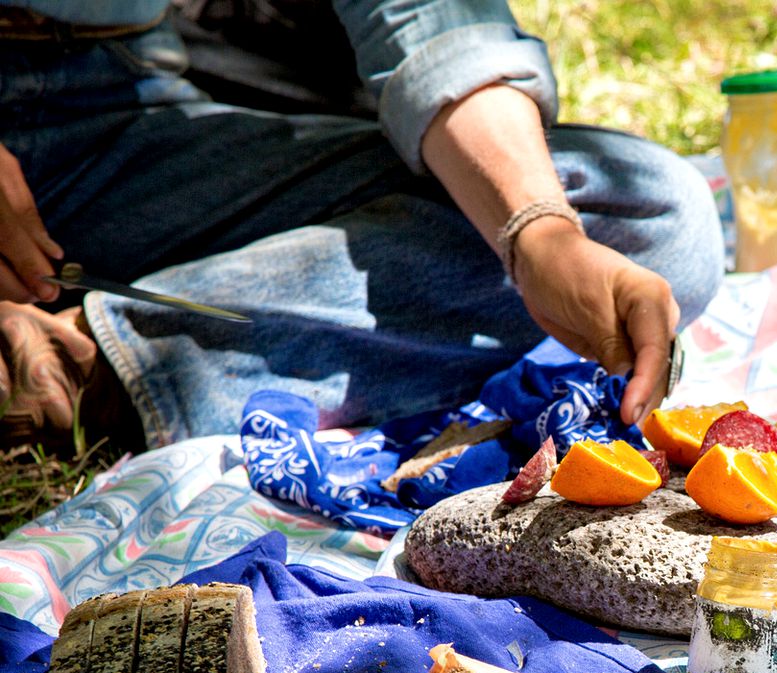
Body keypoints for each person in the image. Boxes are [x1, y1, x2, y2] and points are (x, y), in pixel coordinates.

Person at [0, 1, 725, 452]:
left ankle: (94, 361)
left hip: (121, 108)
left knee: (651, 215)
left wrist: (538, 233)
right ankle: (50, 369)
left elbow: (420, 15)